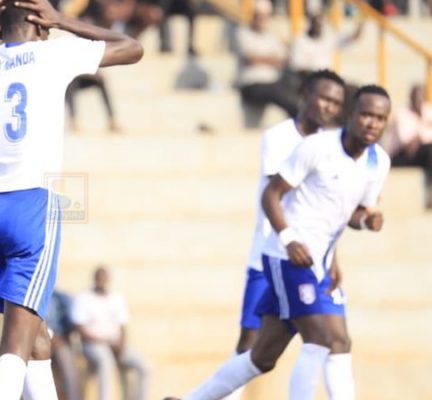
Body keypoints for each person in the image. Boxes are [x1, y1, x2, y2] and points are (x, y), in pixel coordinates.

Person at [0, 1, 143, 398]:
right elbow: (132, 47)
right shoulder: (52, 55)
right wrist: (63, 20)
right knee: (15, 344)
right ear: (40, 24)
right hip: (31, 209)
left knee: (36, 335)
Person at [166, 85, 392, 400]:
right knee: (320, 338)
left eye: (380, 118)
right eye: (366, 115)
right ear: (351, 114)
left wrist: (367, 221)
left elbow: (353, 213)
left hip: (320, 264)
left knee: (266, 356)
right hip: (287, 258)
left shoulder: (378, 162)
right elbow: (271, 194)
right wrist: (289, 239)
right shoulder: (317, 147)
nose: (372, 123)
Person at [225, 69, 353, 400]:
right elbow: (280, 196)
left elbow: (323, 211)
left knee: (334, 340)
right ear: (305, 95)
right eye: (323, 98)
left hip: (313, 260)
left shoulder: (331, 145)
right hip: (271, 256)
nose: (328, 107)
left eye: (335, 102)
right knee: (253, 343)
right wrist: (288, 239)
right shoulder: (280, 137)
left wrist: (333, 256)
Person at [72, 266, 149, 400]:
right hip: (93, 345)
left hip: (115, 344)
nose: (102, 281)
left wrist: (121, 345)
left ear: (108, 279)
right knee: (106, 362)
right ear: (95, 279)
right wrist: (104, 341)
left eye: (104, 278)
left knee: (144, 367)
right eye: (99, 278)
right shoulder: (84, 298)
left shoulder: (116, 298)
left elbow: (123, 326)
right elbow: (80, 328)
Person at [235, 0, 298, 122]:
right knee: (283, 97)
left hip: (272, 83)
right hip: (252, 84)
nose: (260, 19)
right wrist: (271, 59)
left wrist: (262, 58)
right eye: (257, 16)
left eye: (263, 17)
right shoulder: (242, 32)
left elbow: (284, 60)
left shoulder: (270, 36)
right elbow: (251, 58)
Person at [386, 84, 432, 209]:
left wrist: (420, 134)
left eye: (421, 97)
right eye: (416, 97)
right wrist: (424, 128)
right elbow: (408, 145)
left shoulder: (429, 111)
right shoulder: (402, 114)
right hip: (400, 156)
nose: (419, 101)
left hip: (423, 152)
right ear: (411, 98)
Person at [45, 290, 80, 400]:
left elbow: (70, 324)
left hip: (58, 341)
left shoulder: (59, 298)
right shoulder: (29, 295)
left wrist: (60, 339)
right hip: (38, 341)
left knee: (69, 369)